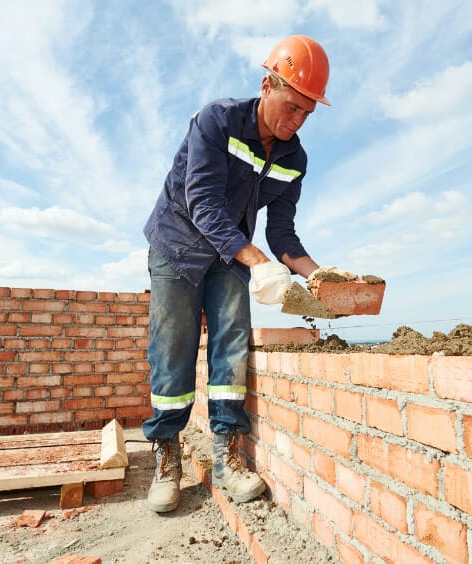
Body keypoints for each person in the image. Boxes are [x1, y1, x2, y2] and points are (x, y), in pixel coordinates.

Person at [141, 35, 333, 513]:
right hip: (178, 247)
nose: (298, 121)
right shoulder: (217, 121)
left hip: (230, 254)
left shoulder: (294, 159)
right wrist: (255, 259)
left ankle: (228, 458)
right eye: (292, 107)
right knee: (173, 347)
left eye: (307, 113)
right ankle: (167, 456)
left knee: (231, 346)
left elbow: (284, 233)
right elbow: (201, 202)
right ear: (268, 84)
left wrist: (322, 275)